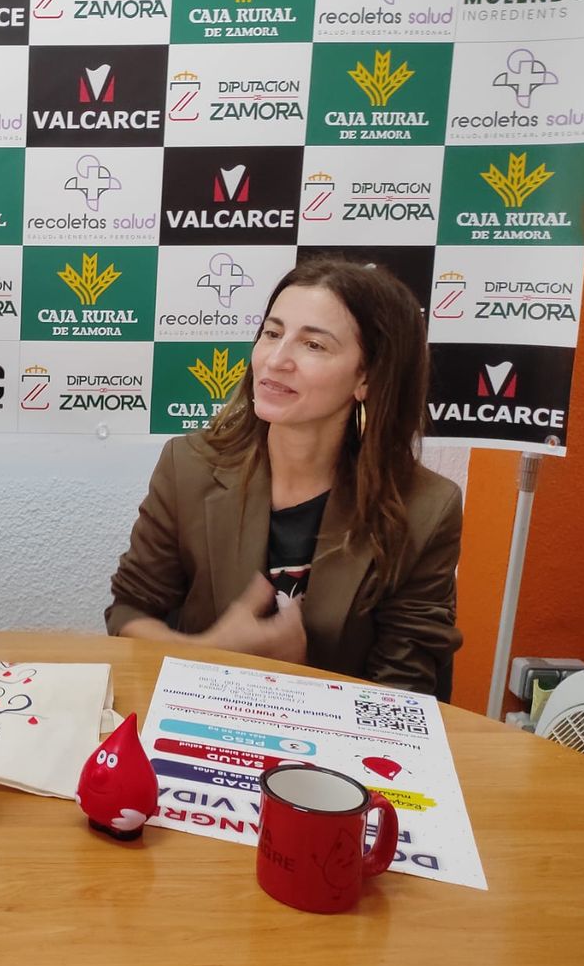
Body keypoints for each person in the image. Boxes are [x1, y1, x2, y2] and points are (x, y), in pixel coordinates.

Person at [104, 258, 461, 695]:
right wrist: (209, 652)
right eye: (272, 334)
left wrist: (300, 672)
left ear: (367, 377)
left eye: (313, 345)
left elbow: (406, 693)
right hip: (196, 725)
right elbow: (128, 614)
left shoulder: (426, 507)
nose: (276, 359)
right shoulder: (189, 466)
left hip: (331, 752)